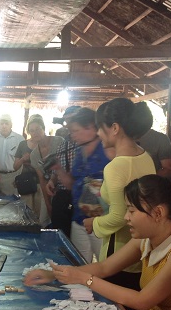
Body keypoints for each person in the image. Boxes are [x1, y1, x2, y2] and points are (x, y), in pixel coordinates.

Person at [25, 174, 171, 310]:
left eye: (132, 211)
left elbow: (142, 301)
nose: (126, 218)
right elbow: (105, 267)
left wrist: (84, 279)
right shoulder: (146, 239)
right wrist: (54, 274)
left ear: (158, 213)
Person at [85, 98, 156, 290]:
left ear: (115, 128)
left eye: (100, 127)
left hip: (120, 254)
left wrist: (94, 223)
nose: (98, 133)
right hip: (143, 248)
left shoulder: (116, 167)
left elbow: (119, 216)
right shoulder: (145, 156)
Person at [53, 107, 114, 262]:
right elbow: (72, 185)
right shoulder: (80, 152)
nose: (72, 136)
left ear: (91, 128)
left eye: (75, 131)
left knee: (105, 264)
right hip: (79, 218)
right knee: (79, 263)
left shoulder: (109, 150)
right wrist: (58, 170)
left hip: (102, 220)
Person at [47, 106, 82, 237]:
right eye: (67, 121)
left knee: (79, 244)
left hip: (81, 199)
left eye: (72, 120)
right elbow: (58, 168)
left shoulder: (88, 144)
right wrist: (51, 180)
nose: (69, 125)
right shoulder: (63, 143)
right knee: (60, 236)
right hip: (62, 196)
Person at [24, 114, 64, 224]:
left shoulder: (59, 142)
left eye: (38, 129)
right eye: (32, 131)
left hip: (65, 187)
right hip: (48, 188)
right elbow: (42, 179)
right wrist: (47, 204)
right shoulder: (34, 154)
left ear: (44, 129)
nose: (35, 133)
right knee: (44, 220)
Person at [0, 114, 24, 196]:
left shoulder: (20, 139)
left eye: (6, 123)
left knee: (10, 205)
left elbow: (23, 160)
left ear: (11, 125)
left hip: (12, 177)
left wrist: (18, 178)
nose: (4, 126)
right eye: (1, 123)